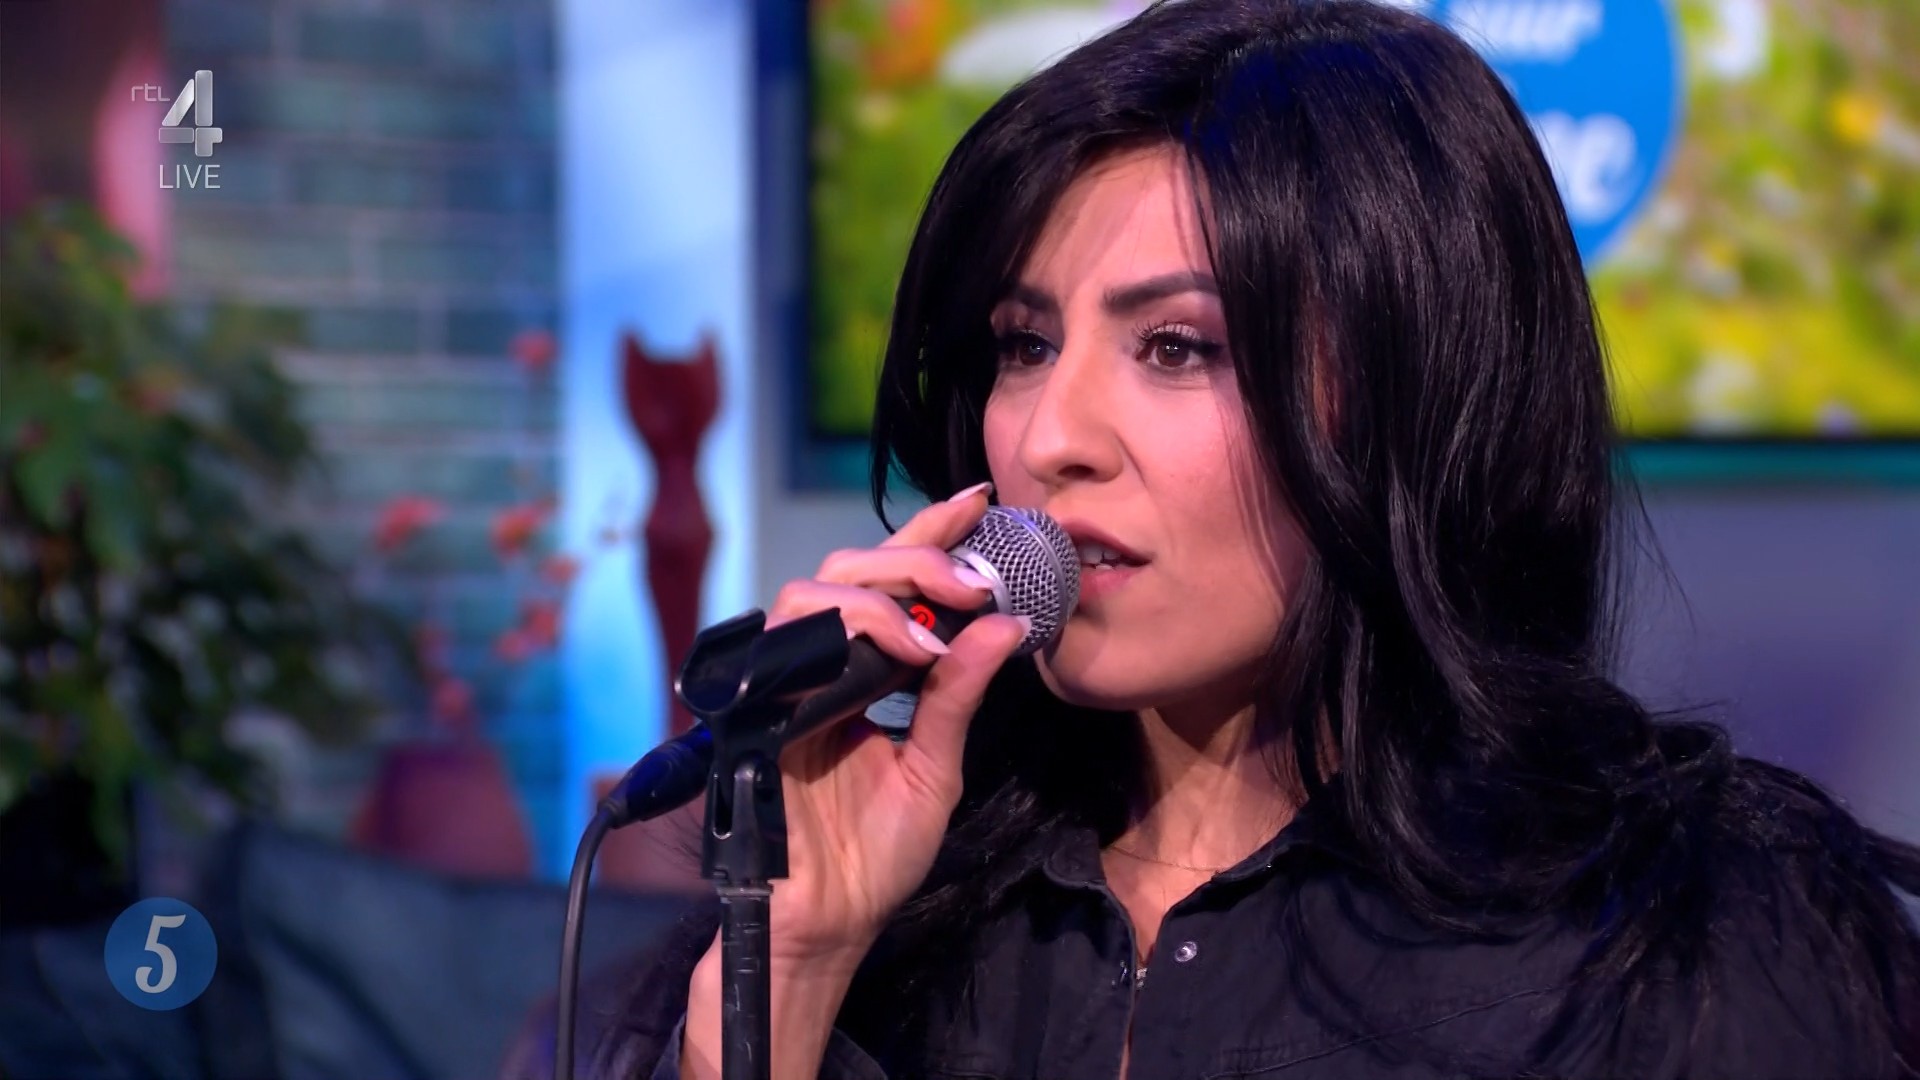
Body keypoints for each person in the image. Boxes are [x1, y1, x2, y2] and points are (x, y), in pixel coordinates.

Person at [544, 1, 1920, 1077]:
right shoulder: (891, 933)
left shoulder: (1691, 934)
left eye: (1176, 347)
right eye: (1024, 344)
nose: (1053, 435)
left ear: (1418, 396)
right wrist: (786, 977)